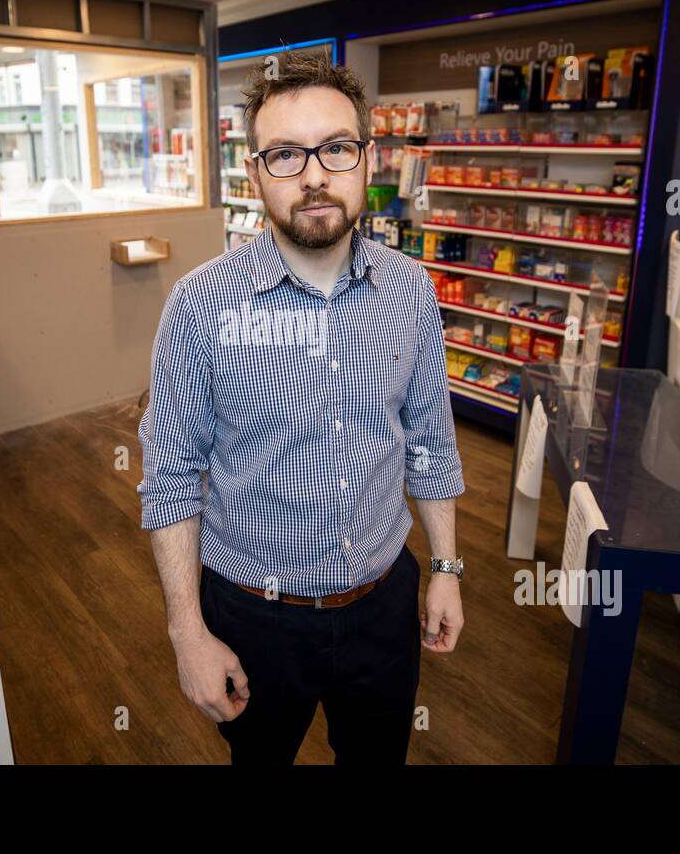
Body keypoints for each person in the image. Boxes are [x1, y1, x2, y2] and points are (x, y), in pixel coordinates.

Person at [137, 50, 465, 764]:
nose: (314, 175)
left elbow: (431, 442)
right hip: (255, 614)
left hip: (384, 603)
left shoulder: (410, 291)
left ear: (367, 161)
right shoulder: (199, 305)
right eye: (285, 154)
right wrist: (187, 632)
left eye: (336, 149)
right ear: (255, 173)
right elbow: (169, 478)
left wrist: (446, 568)